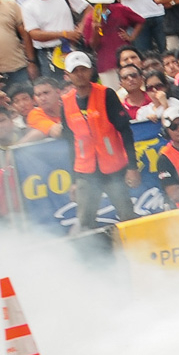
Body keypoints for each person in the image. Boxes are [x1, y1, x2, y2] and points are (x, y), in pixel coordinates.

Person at [61, 50, 139, 227]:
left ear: (91, 70)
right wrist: (74, 180)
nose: (80, 74)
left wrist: (132, 167)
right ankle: (93, 246)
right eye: (75, 71)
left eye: (83, 69)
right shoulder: (65, 102)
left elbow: (125, 131)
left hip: (113, 168)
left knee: (127, 216)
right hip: (85, 172)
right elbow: (71, 143)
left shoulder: (106, 95)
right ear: (67, 75)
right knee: (85, 222)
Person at [21, 0, 88, 77]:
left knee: (80, 79)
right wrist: (64, 34)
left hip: (72, 47)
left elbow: (88, 9)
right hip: (48, 54)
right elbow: (34, 34)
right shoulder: (28, 6)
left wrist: (80, 28)